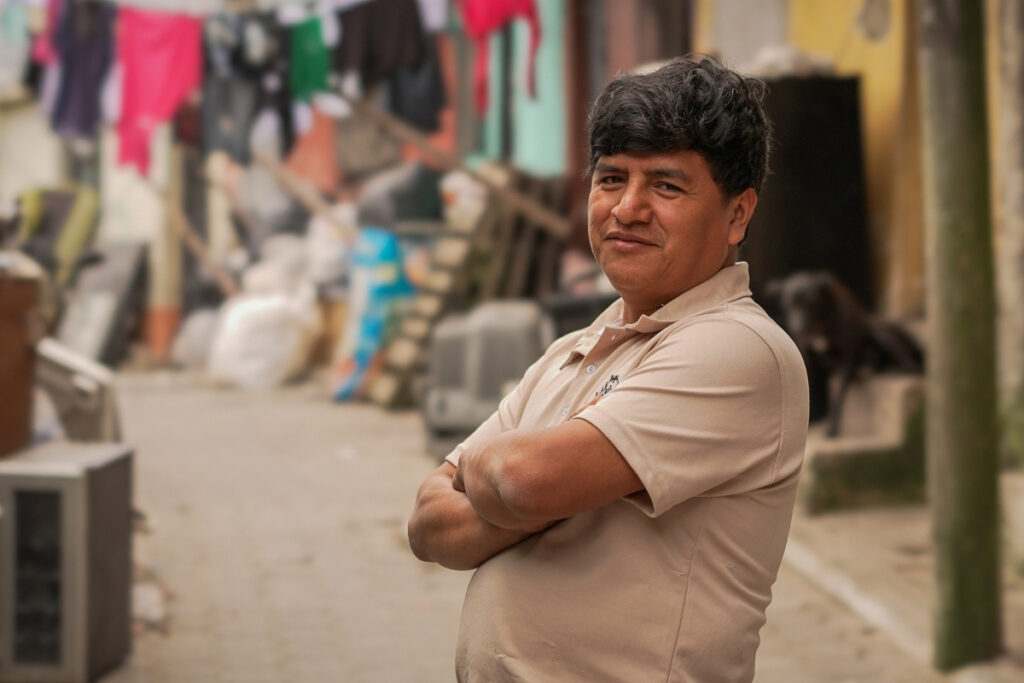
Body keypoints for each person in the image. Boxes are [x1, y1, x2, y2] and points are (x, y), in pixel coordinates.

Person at [407, 55, 809, 682]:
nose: (628, 208)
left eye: (667, 186)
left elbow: (521, 480)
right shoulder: (577, 347)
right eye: (612, 178)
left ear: (737, 214)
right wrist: (548, 486)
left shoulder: (738, 348)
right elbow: (429, 525)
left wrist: (505, 473)